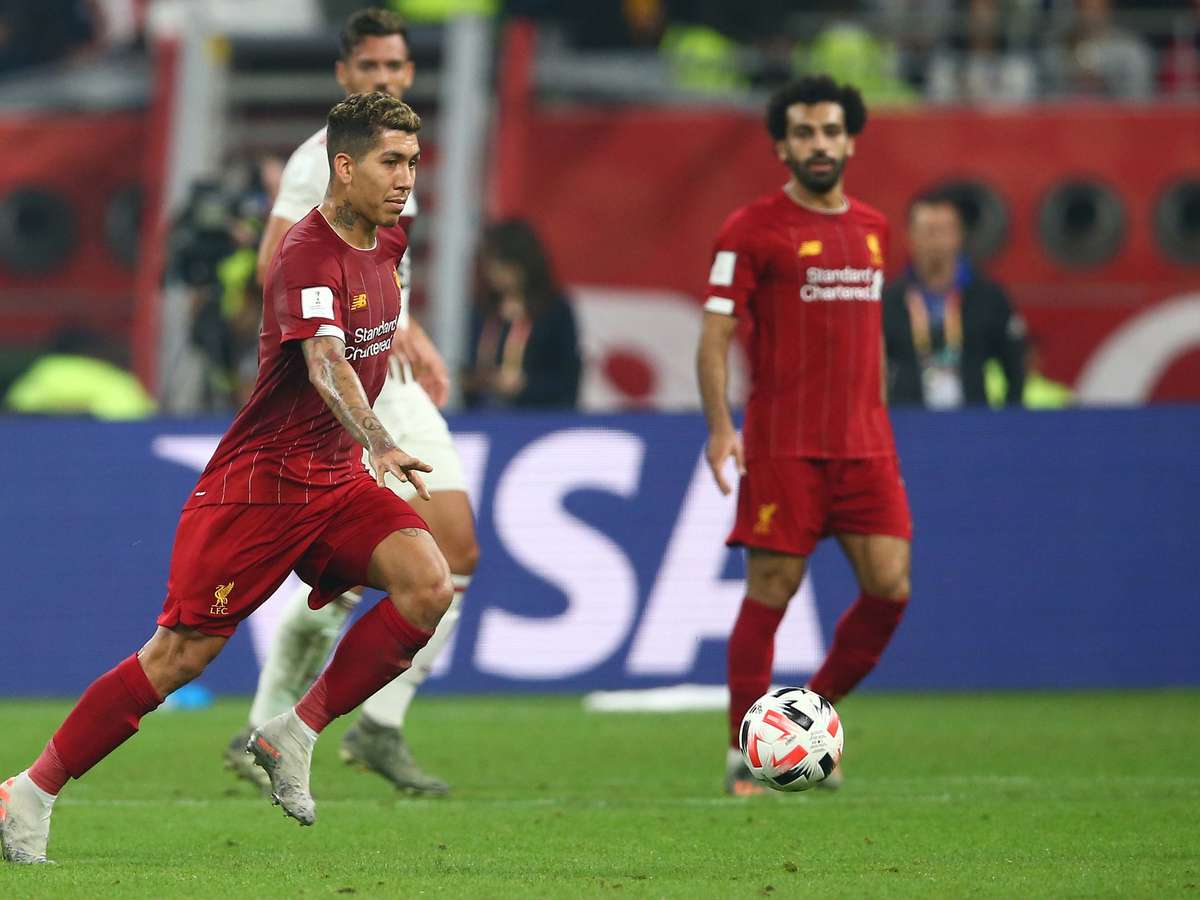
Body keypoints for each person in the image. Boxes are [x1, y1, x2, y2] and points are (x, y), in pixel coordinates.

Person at [0, 93, 451, 865]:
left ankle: (293, 732)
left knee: (428, 585)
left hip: (333, 482)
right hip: (260, 490)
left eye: (412, 161)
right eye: (390, 161)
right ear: (343, 168)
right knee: (177, 658)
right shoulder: (307, 254)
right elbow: (324, 362)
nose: (406, 178)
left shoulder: (391, 238)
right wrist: (378, 439)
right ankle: (29, 793)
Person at [223, 7, 479, 797]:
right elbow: (281, 264)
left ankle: (366, 722)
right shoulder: (321, 160)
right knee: (369, 573)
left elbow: (379, 271)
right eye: (369, 69)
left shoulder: (395, 157)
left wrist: (411, 330)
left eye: (396, 69)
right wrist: (359, 325)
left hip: (386, 371)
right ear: (344, 76)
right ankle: (288, 722)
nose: (385, 80)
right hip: (337, 378)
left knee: (450, 555)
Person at [697, 75, 913, 796]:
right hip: (785, 444)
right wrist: (722, 426)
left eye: (829, 131)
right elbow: (716, 333)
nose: (818, 144)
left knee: (889, 589)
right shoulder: (751, 228)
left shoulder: (877, 230)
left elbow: (874, 343)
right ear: (781, 146)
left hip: (866, 446)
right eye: (803, 133)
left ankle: (803, 726)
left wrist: (879, 419)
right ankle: (742, 752)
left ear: (850, 140)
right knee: (773, 590)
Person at [884, 191, 1026, 409]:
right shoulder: (889, 300)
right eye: (928, 231)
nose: (936, 241)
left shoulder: (988, 297)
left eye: (944, 231)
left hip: (974, 423)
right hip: (908, 424)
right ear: (909, 236)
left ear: (960, 235)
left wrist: (1005, 421)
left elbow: (1015, 365)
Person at [463, 219, 582, 409]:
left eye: (501, 265)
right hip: (483, 417)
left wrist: (524, 387)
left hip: (537, 418)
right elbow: (468, 365)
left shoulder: (554, 311)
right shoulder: (484, 310)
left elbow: (568, 381)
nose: (494, 273)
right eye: (490, 265)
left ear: (522, 263)